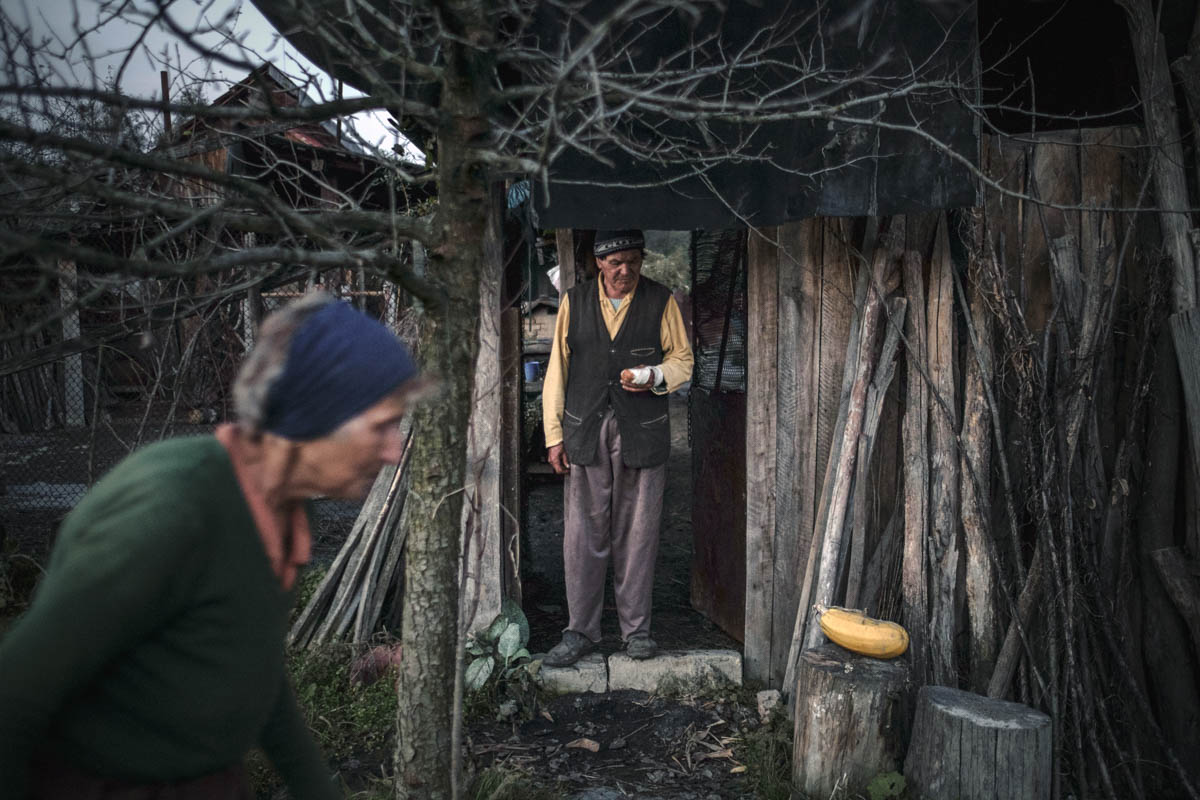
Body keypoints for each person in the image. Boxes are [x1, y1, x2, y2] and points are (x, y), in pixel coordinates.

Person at [0, 291, 430, 800]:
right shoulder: (172, 507)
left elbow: (255, 668)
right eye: (381, 425)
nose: (394, 448)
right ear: (310, 418)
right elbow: (17, 696)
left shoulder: (289, 509)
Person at [541, 229, 693, 667]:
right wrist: (554, 435)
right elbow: (558, 370)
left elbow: (683, 362)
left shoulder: (660, 300)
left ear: (641, 260)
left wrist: (653, 377)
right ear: (599, 262)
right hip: (586, 427)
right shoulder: (574, 301)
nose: (625, 270)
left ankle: (636, 632)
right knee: (582, 535)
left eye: (633, 260)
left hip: (641, 429)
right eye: (615, 262)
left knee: (638, 533)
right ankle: (580, 631)